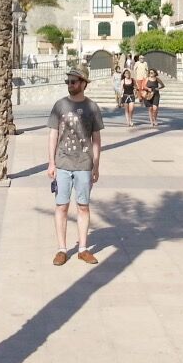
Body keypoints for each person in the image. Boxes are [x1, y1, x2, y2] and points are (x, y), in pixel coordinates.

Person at [47, 64, 103, 266]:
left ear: (83, 83)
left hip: (84, 165)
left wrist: (96, 166)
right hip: (62, 164)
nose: (70, 84)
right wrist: (51, 162)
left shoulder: (92, 107)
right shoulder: (60, 105)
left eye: (73, 81)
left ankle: (83, 249)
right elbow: (53, 134)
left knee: (83, 206)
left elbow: (96, 139)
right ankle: (62, 249)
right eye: (68, 81)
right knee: (61, 206)